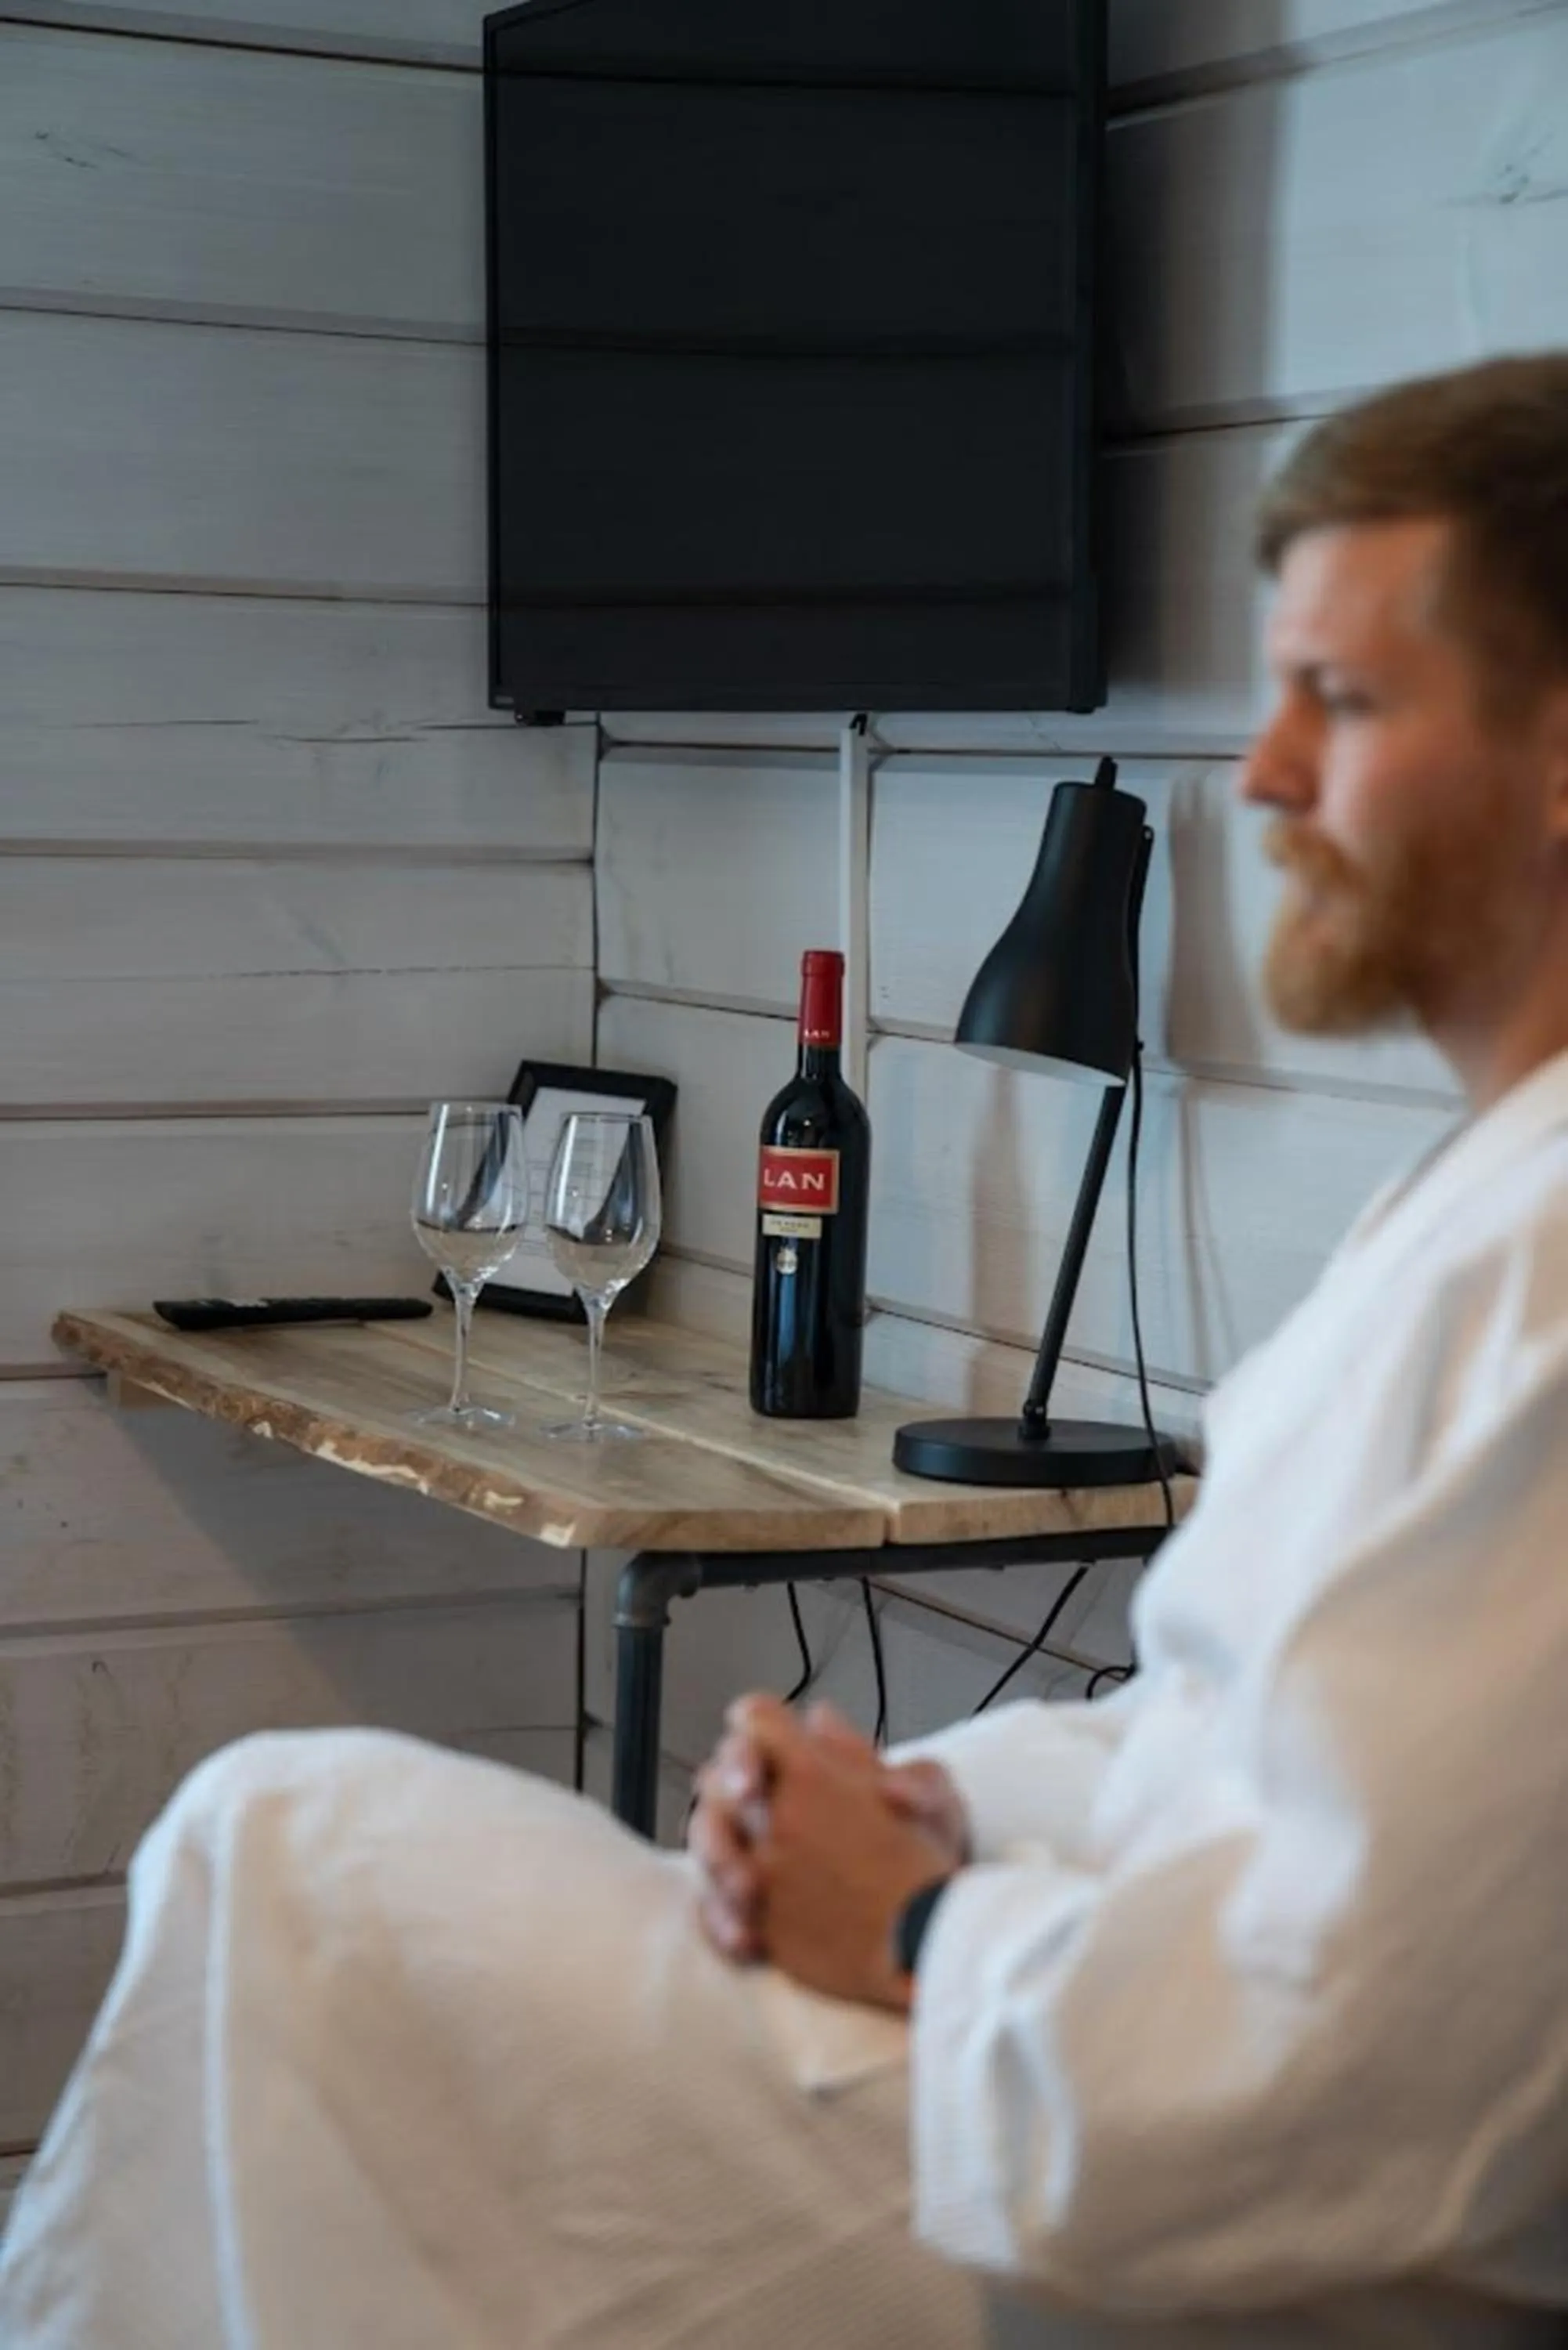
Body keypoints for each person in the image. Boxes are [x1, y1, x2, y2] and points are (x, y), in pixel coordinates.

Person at [4, 352, 1568, 2350]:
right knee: (286, 1870)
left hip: (1136, 2202)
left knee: (282, 1849)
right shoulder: (1477, 1197)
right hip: (1059, 2007)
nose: (1258, 774)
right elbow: (1222, 1741)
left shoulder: (1535, 1280)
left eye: (1334, 701)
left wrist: (908, 1923)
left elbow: (1366, 2072)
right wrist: (926, 1803)